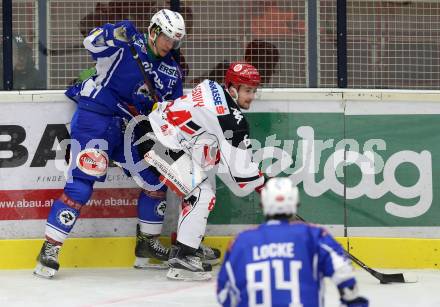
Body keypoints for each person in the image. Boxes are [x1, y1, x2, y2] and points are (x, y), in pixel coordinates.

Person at [34, 9, 191, 278]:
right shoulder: (126, 44)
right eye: (166, 37)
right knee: (84, 179)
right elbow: (90, 43)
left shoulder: (172, 72)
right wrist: (112, 32)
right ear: (153, 30)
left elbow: (169, 109)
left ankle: (147, 246)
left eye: (174, 41)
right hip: (97, 116)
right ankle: (50, 249)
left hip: (131, 127)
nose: (169, 45)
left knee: (155, 178)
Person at [132, 62, 265, 281]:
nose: (251, 96)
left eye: (254, 90)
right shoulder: (232, 120)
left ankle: (189, 244)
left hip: (158, 132)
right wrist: (263, 184)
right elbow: (241, 176)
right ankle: (183, 257)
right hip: (158, 143)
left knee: (203, 184)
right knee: (201, 193)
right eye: (247, 90)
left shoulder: (211, 86)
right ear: (232, 89)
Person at [216, 177, 369, 307]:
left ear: (262, 204)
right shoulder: (314, 236)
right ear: (296, 204)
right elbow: (343, 274)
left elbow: (224, 295)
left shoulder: (241, 242)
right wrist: (353, 301)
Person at [190, 40, 279, 86]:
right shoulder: (223, 71)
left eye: (268, 66)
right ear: (247, 60)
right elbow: (194, 84)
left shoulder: (268, 88)